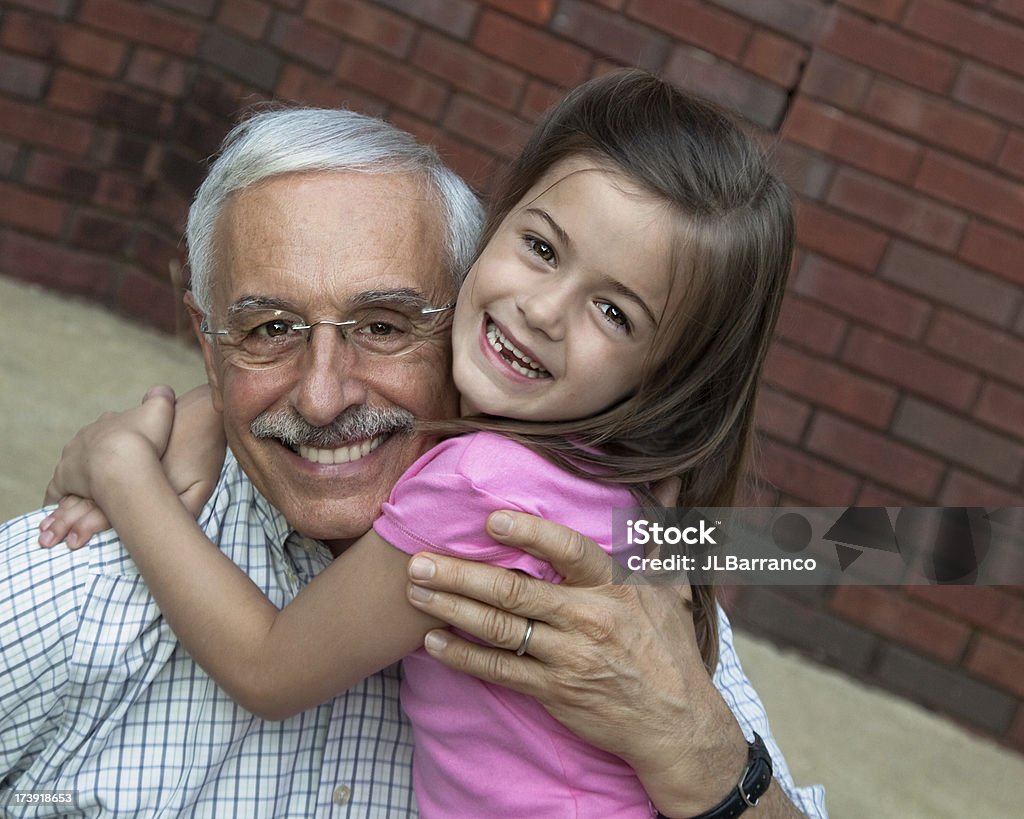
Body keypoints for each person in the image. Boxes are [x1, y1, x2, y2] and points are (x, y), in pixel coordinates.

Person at [34, 71, 825, 818]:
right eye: (543, 249)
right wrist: (213, 406)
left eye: (615, 313)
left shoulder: (482, 483)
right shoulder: (639, 495)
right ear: (497, 223)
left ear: (669, 373)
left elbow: (268, 667)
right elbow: (833, 545)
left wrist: (124, 470)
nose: (545, 311)